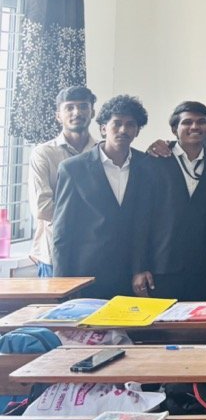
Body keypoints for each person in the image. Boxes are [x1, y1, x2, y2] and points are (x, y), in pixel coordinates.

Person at [52, 94, 154, 297]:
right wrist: (61, 285)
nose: (123, 130)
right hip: (87, 274)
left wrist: (140, 267)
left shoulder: (148, 166)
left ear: (137, 131)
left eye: (130, 125)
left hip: (132, 276)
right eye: (117, 123)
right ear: (103, 128)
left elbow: (147, 224)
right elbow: (62, 231)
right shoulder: (73, 168)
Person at [135, 101, 206, 300]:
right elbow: (141, 218)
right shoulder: (154, 161)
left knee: (203, 320)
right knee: (163, 320)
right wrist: (139, 267)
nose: (195, 127)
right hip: (162, 265)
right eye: (187, 122)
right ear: (174, 129)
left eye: (201, 122)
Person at [28, 86, 96, 277]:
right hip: (53, 254)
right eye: (69, 107)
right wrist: (95, 220)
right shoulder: (43, 153)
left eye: (83, 106)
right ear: (58, 115)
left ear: (92, 112)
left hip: (96, 254)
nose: (77, 112)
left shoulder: (102, 151)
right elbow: (42, 208)